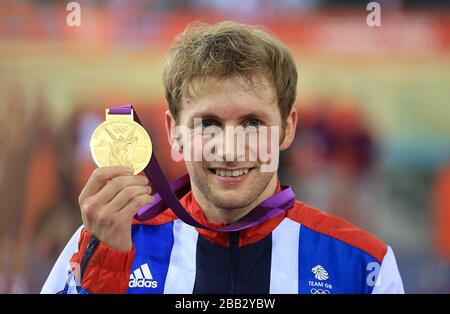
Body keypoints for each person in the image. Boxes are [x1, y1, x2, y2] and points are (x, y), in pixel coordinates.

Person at [41, 21, 404, 294]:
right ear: (174, 132)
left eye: (252, 123)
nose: (230, 150)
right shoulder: (103, 240)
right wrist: (105, 269)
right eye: (209, 124)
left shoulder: (364, 266)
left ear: (287, 128)